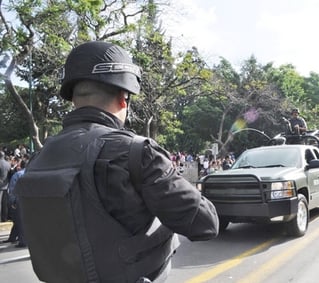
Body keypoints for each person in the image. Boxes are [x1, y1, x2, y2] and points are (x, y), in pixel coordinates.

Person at [15, 41, 218, 283]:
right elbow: (205, 223)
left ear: (74, 99)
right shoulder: (135, 151)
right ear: (124, 99)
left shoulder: (40, 157)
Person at [4, 159, 26, 248]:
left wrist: (12, 202)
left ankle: (23, 241)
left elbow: (12, 190)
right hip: (30, 200)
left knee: (19, 221)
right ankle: (13, 237)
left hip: (19, 200)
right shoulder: (32, 173)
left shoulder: (18, 175)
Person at [0, 151, 11, 222]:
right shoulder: (8, 164)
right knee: (5, 203)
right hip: (6, 185)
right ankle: (4, 218)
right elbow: (10, 174)